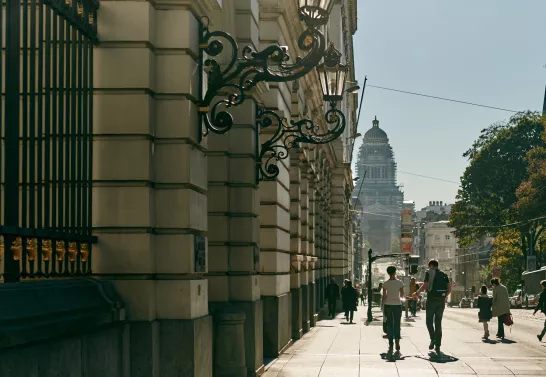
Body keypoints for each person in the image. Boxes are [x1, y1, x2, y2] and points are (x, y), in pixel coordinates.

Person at [414, 259, 451, 354]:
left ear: (431, 266)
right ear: (437, 266)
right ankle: (438, 345)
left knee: (429, 321)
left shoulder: (429, 273)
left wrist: (417, 292)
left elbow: (425, 286)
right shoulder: (444, 275)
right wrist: (443, 297)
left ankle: (433, 338)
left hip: (431, 300)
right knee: (438, 323)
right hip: (441, 301)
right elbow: (449, 289)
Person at [382, 265, 405, 354]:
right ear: (395, 272)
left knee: (389, 325)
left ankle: (391, 344)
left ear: (388, 273)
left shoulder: (385, 283)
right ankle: (397, 342)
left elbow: (384, 296)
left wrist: (382, 306)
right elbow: (402, 295)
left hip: (388, 305)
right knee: (397, 324)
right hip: (397, 305)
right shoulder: (400, 283)